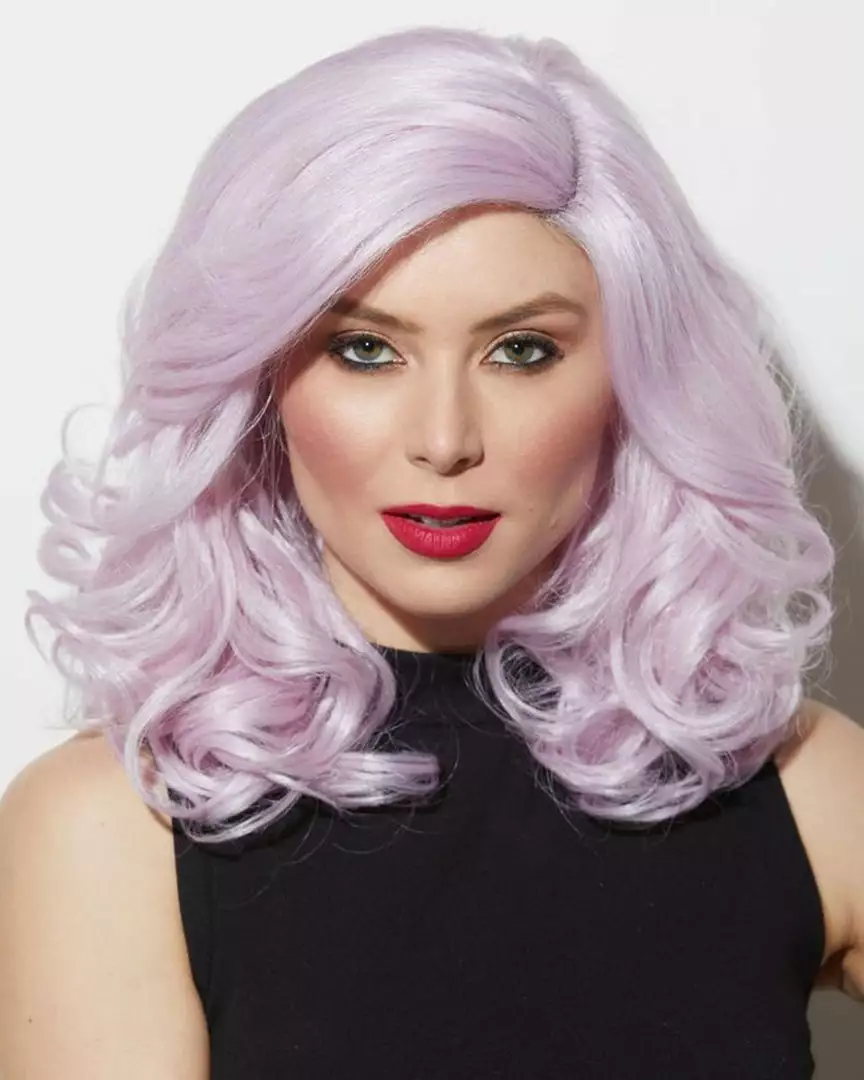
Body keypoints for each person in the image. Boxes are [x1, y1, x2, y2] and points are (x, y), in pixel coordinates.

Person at [1, 23, 862, 1080]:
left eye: (521, 350)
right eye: (364, 349)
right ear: (261, 384)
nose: (445, 440)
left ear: (633, 382)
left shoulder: (807, 786)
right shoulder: (110, 831)